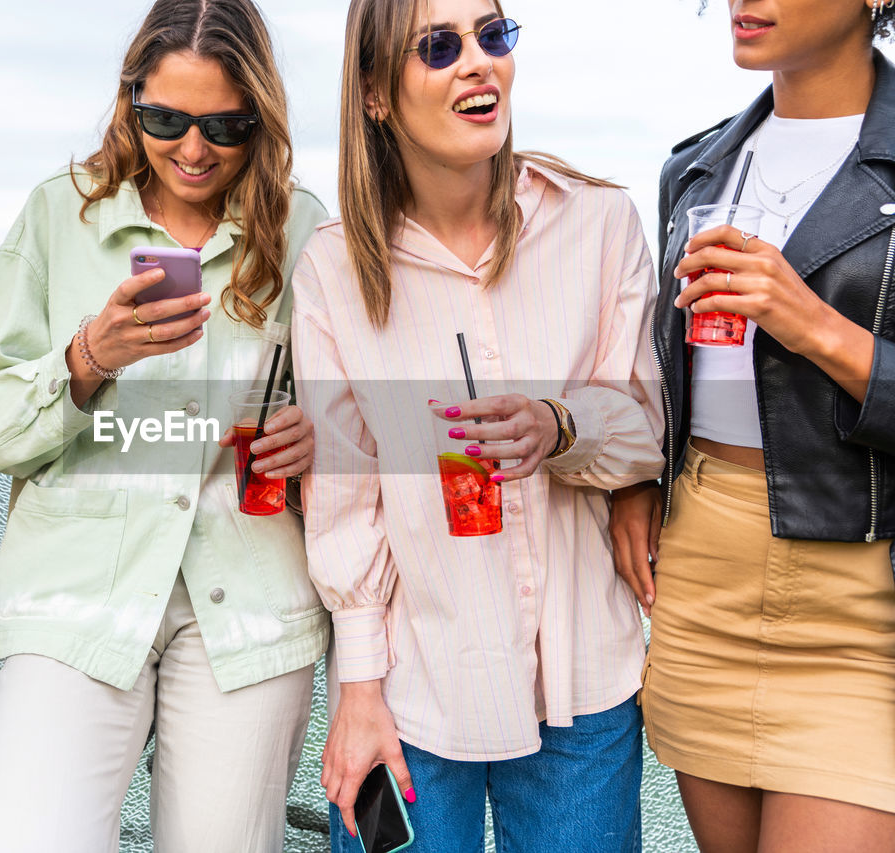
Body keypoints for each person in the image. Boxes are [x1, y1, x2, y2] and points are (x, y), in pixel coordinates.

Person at [292, 1, 665, 850]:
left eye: (493, 36)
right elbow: (345, 499)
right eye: (439, 46)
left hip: (583, 691)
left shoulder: (600, 223)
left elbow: (649, 428)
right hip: (413, 693)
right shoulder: (333, 268)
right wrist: (357, 693)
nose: (477, 62)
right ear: (377, 93)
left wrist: (558, 427)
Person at [0, 1, 328, 850]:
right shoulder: (60, 214)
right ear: (130, 100)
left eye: (223, 127)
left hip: (250, 604)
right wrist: (88, 355)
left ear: (259, 118)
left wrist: (319, 437)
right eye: (164, 119)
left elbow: (352, 415)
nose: (192, 150)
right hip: (76, 591)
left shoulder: (307, 232)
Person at [610, 1, 895, 850]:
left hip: (862, 599)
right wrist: (636, 476)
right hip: (703, 580)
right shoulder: (694, 171)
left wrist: (816, 327)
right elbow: (663, 370)